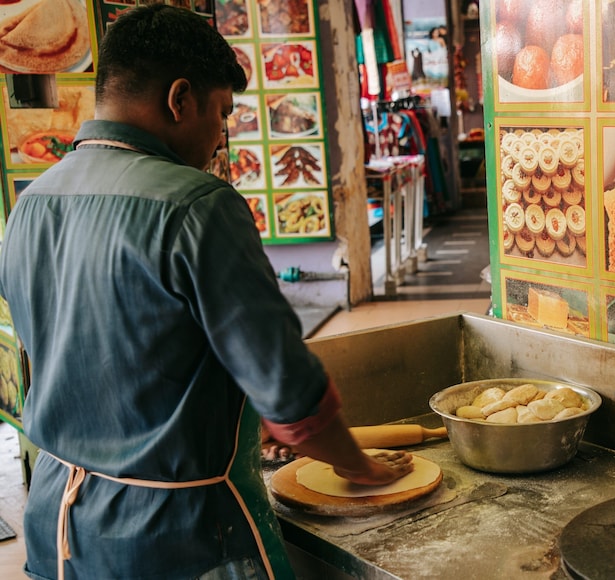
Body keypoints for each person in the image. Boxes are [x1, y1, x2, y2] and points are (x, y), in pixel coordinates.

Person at [0, 5, 413, 579]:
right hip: (177, 536)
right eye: (222, 116)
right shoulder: (199, 205)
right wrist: (359, 466)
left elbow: (102, 355)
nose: (221, 139)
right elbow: (287, 387)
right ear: (179, 99)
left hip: (58, 530)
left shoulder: (31, 204)